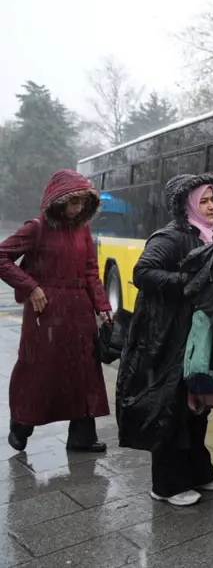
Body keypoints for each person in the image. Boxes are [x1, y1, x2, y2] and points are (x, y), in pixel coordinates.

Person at [116, 174, 213, 507]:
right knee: (171, 409)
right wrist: (189, 282)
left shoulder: (208, 236)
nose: (211, 206)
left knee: (197, 405)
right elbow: (143, 273)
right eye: (204, 201)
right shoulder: (170, 237)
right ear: (187, 205)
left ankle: (199, 472)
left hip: (194, 335)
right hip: (166, 338)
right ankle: (166, 484)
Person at [0, 170, 113, 453]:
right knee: (38, 370)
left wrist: (103, 305)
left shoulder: (83, 229)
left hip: (80, 311)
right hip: (46, 312)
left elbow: (91, 271)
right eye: (72, 202)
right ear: (57, 200)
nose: (77, 208)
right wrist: (31, 287)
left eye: (82, 202)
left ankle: (82, 436)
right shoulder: (36, 227)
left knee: (85, 370)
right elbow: (2, 257)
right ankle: (22, 423)